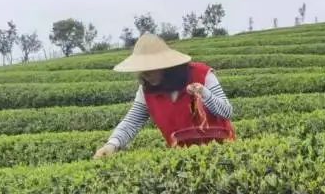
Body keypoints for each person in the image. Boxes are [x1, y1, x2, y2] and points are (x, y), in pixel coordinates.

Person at [93, 34, 235, 157]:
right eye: (141, 70)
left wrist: (205, 93)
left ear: (166, 65)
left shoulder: (202, 74)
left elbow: (227, 112)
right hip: (181, 159)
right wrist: (112, 144)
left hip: (221, 152)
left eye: (150, 68)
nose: (145, 75)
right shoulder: (146, 91)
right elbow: (132, 122)